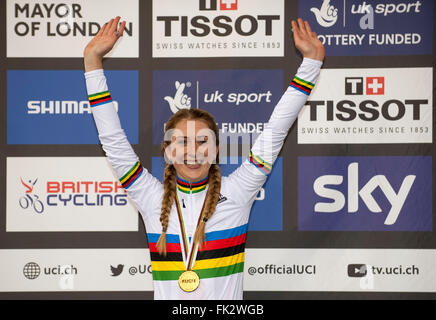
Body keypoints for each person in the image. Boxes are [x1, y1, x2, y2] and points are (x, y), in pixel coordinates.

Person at [84, 16, 325, 300]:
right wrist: (91, 62)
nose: (193, 152)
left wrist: (311, 63)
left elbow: (276, 129)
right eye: (182, 142)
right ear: (168, 151)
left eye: (202, 142)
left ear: (216, 150)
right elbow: (113, 141)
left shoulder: (237, 191)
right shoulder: (150, 197)